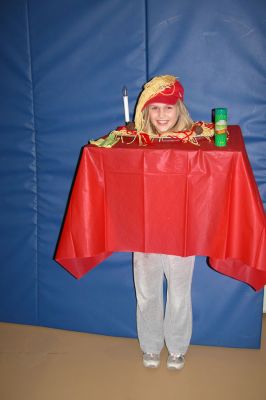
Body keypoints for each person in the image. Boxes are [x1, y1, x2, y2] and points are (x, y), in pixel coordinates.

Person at [133, 75, 195, 370]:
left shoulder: (196, 143)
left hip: (181, 231)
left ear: (179, 109)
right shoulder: (133, 143)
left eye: (168, 108)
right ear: (145, 111)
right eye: (155, 108)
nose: (161, 115)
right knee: (147, 291)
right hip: (145, 231)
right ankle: (150, 345)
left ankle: (178, 346)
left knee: (180, 293)